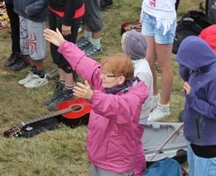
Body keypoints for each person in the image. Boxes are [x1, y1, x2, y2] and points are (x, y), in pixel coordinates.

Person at [105, 0, 185, 122]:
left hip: (163, 19)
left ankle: (164, 106)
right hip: (149, 15)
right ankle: (152, 97)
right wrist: (143, 11)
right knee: (147, 61)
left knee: (164, 65)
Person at [45, 28, 148, 176]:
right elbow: (83, 62)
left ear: (120, 79)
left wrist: (92, 96)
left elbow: (115, 106)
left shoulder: (132, 99)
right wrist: (64, 45)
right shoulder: (107, 83)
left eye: (106, 75)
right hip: (99, 157)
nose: (101, 77)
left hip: (115, 165)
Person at [176, 36, 216, 176]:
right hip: (195, 137)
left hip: (209, 144)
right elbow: (191, 81)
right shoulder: (199, 67)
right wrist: (184, 67)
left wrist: (192, 99)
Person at [5, 0, 48, 87]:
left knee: (36, 44)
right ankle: (34, 71)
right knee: (27, 44)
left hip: (34, 16)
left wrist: (33, 8)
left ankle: (41, 74)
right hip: (21, 13)